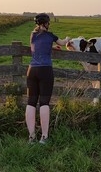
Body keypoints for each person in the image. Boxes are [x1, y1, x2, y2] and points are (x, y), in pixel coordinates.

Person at [25, 13, 70, 144]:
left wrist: (50, 47)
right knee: (44, 102)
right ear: (45, 23)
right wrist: (67, 39)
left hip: (32, 70)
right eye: (48, 22)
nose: (49, 24)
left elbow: (38, 48)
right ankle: (44, 137)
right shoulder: (51, 36)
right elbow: (62, 42)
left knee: (31, 102)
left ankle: (31, 136)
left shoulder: (32, 35)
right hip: (45, 70)